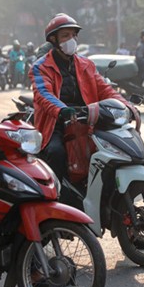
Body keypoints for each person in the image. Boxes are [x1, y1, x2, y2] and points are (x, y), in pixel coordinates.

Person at [31, 13, 134, 187]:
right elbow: (43, 93)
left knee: (114, 147)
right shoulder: (41, 67)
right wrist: (62, 109)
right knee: (56, 153)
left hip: (87, 120)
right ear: (54, 40)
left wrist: (126, 105)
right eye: (65, 36)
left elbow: (105, 89)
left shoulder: (86, 64)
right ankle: (56, 197)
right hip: (56, 122)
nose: (71, 40)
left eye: (73, 35)